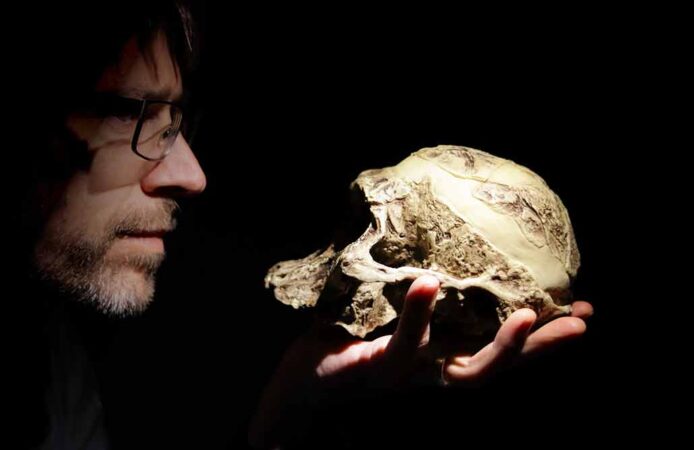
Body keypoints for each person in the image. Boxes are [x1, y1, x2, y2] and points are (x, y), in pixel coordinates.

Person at [7, 2, 592, 448]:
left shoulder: (51, 368)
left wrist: (297, 402)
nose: (191, 174)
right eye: (125, 112)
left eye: (175, 121)